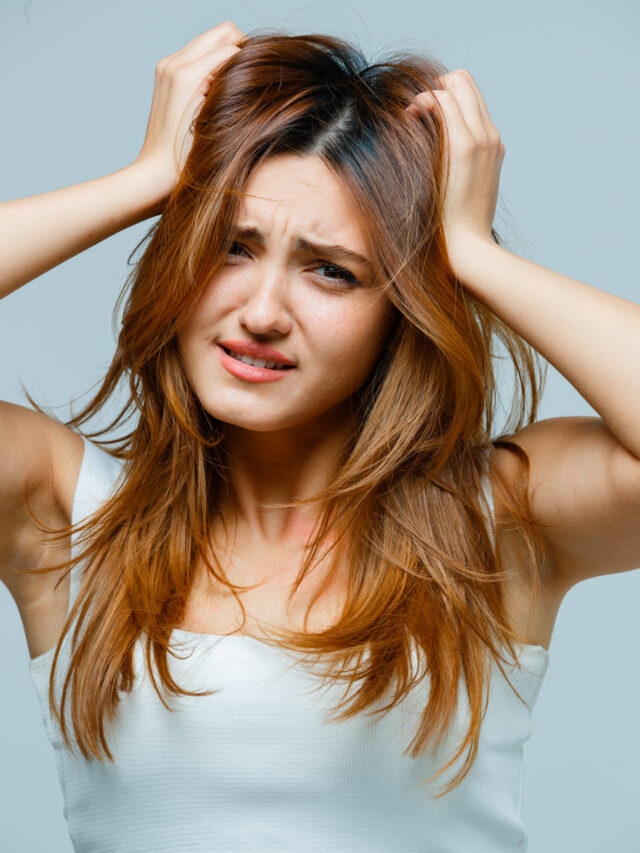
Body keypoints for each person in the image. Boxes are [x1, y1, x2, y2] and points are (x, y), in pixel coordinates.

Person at [1, 20, 639, 852]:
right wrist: (143, 181)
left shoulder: (500, 522)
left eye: (331, 269)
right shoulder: (62, 513)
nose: (262, 313)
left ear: (401, 306)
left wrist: (473, 257)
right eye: (232, 246)